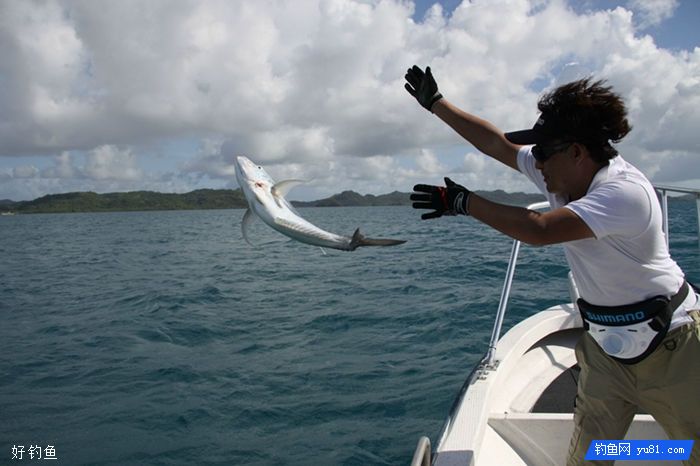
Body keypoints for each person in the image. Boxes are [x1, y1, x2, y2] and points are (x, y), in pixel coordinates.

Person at [404, 65, 700, 465]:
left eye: (543, 152)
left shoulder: (624, 192)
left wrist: (464, 202)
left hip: (671, 346)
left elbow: (540, 229)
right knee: (590, 456)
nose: (535, 162)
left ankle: (665, 454)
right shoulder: (561, 174)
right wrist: (436, 104)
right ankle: (658, 453)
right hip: (605, 348)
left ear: (576, 152)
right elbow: (497, 144)